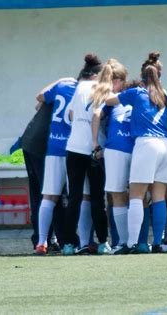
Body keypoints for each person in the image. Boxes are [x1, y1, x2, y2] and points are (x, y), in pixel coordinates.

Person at [105, 53, 167, 254]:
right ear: (159, 76)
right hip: (166, 145)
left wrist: (102, 86)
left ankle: (132, 244)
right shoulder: (165, 96)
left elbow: (110, 100)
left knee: (136, 196)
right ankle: (158, 243)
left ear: (142, 76)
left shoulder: (136, 92)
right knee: (159, 197)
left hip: (146, 144)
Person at [61, 54, 110, 255]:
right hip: (93, 150)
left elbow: (70, 115)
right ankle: (103, 242)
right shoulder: (101, 89)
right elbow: (98, 116)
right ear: (98, 74)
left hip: (73, 148)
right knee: (98, 198)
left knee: (74, 197)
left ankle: (68, 244)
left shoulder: (79, 87)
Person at [91, 59, 132, 252]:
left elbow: (96, 116)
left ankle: (122, 242)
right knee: (137, 196)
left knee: (117, 196)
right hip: (135, 148)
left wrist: (95, 144)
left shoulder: (104, 96)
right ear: (120, 80)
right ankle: (135, 241)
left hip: (114, 149)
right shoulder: (128, 95)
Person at [33, 75, 77, 255]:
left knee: (49, 197)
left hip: (54, 147)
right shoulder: (86, 91)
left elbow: (40, 97)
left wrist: (59, 80)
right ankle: (78, 242)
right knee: (79, 197)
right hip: (74, 148)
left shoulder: (63, 86)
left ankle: (42, 241)